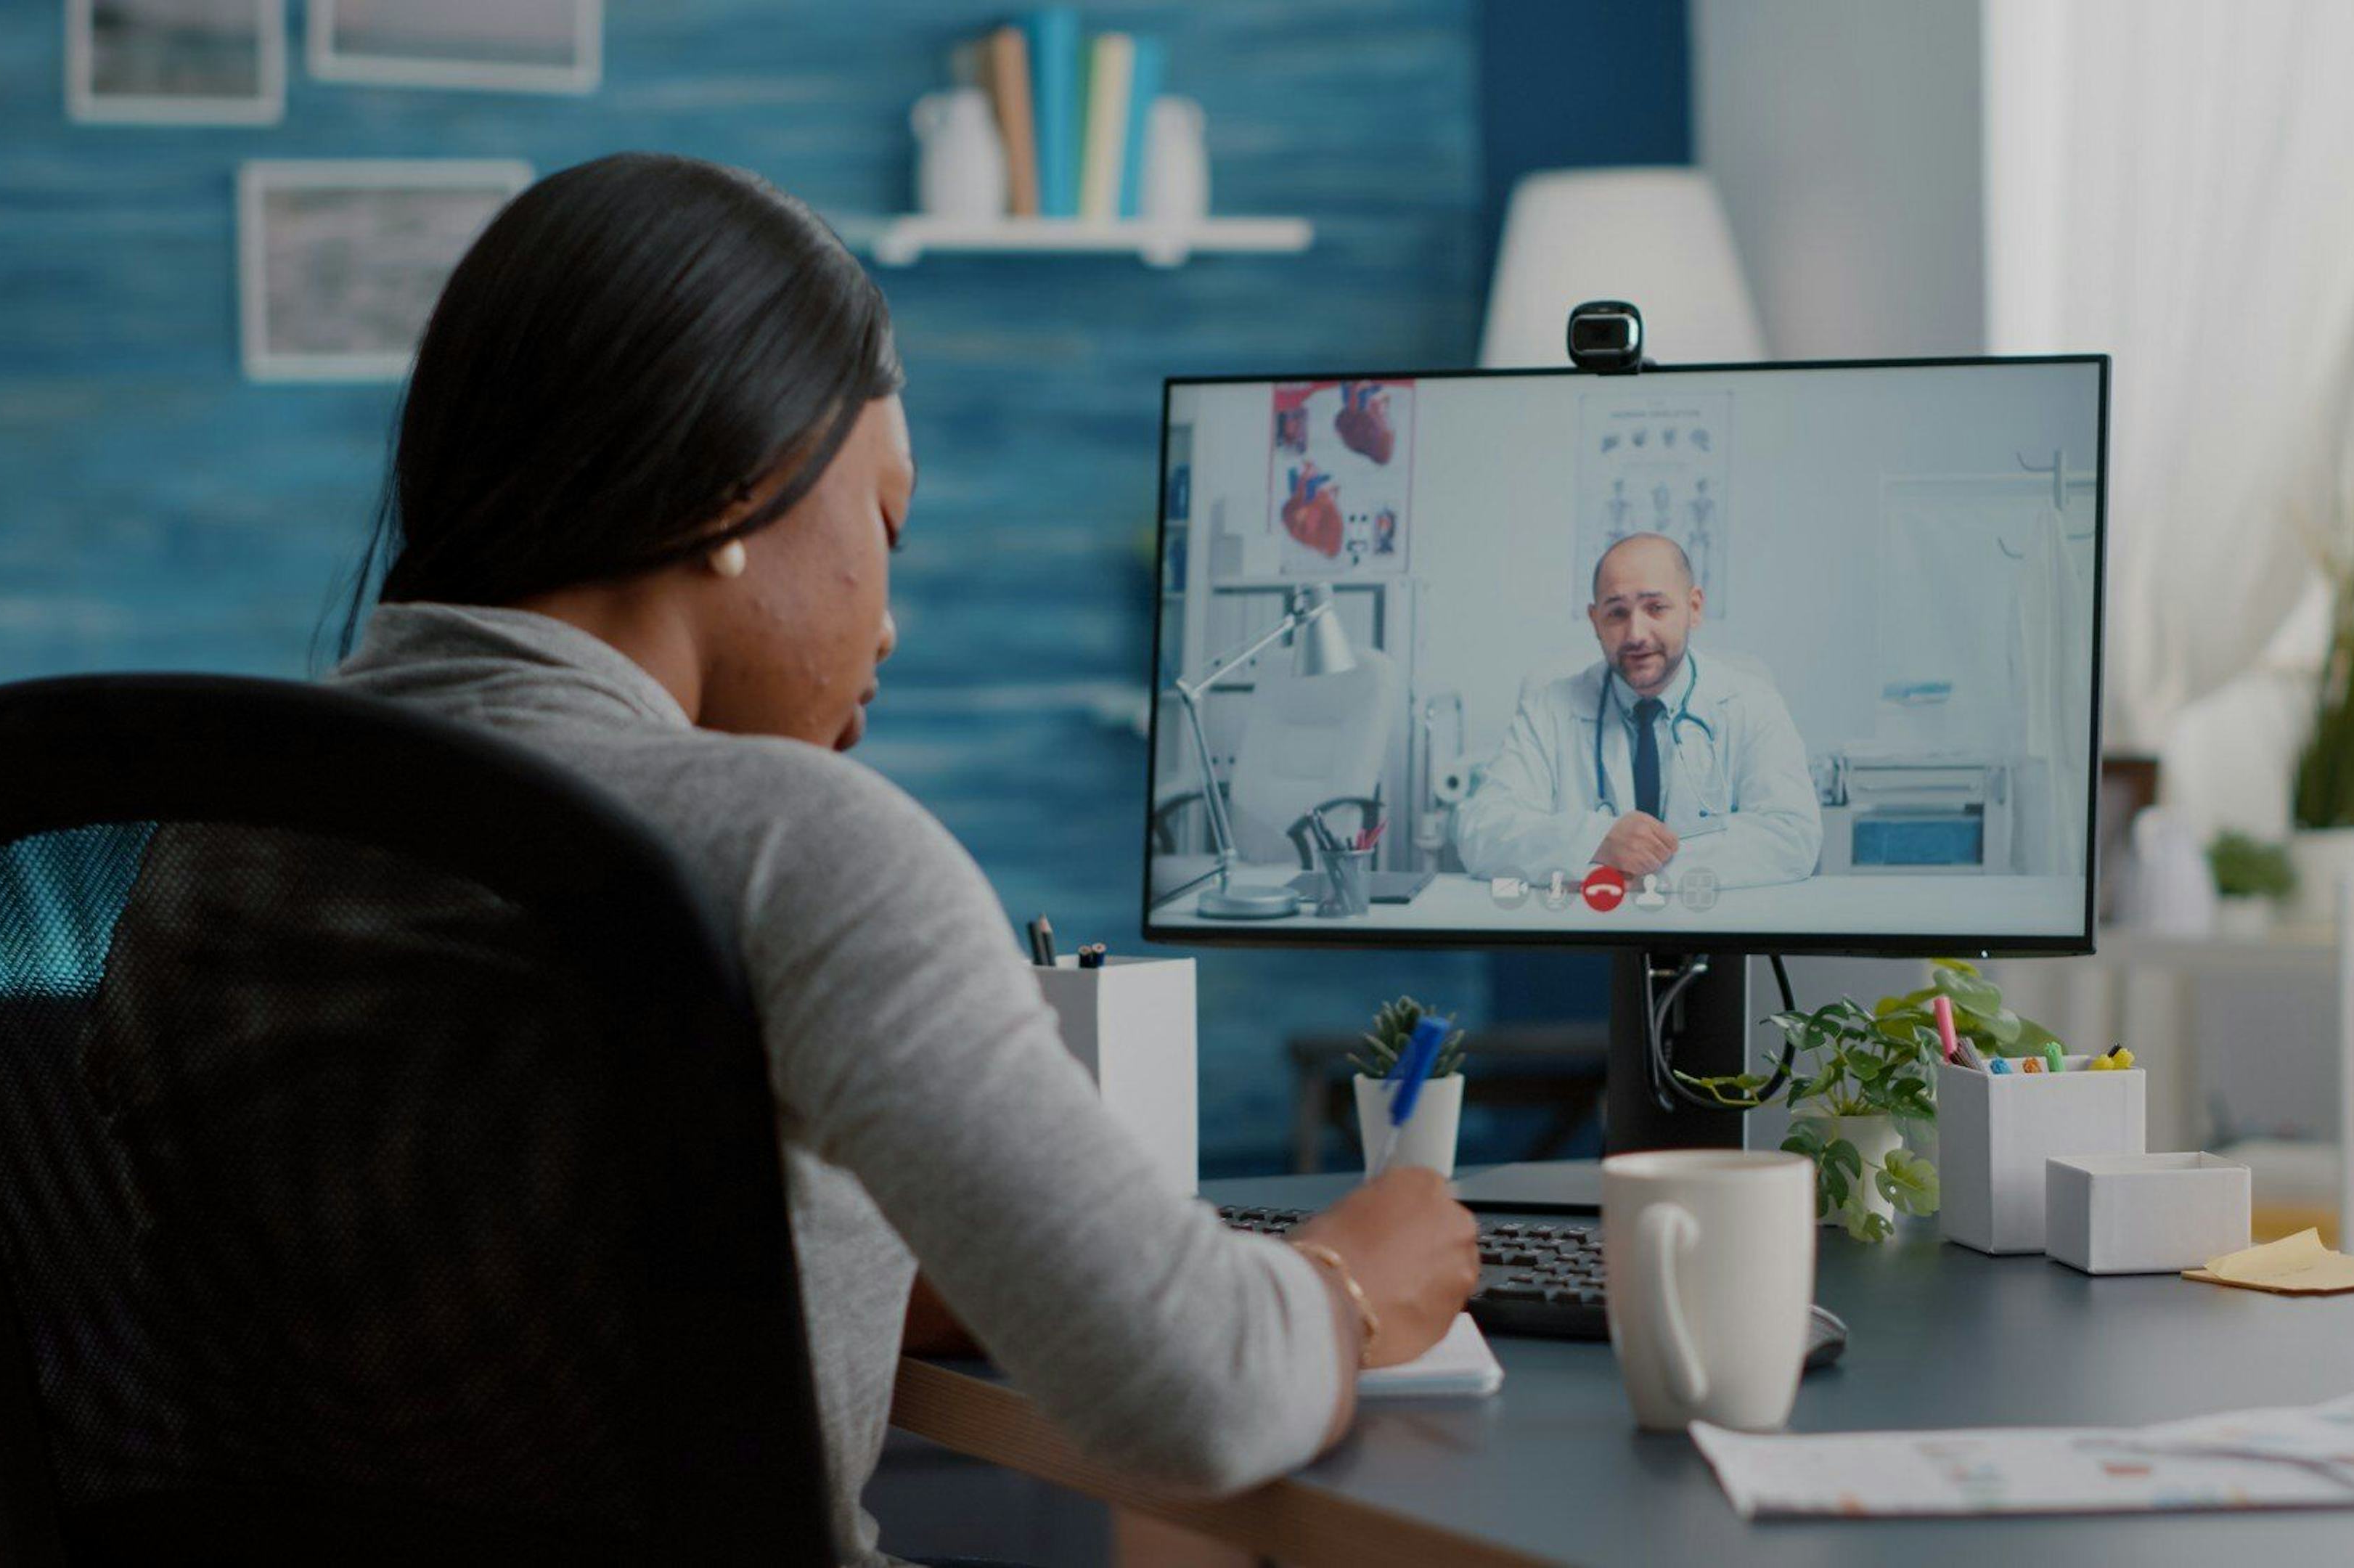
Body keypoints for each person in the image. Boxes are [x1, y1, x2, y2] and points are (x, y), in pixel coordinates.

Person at [305, 154, 1476, 1564]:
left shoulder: (209, 844)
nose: (891, 623)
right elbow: (1202, 1398)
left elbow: (503, 1285)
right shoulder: (796, 843)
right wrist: (1358, 1277)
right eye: (887, 526)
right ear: (729, 489)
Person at [1454, 533, 1821, 890]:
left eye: (1656, 608)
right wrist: (1597, 842)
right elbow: (1482, 831)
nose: (1636, 634)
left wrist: (1646, 870)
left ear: (1694, 608)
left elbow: (1792, 837)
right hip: (1589, 936)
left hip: (1713, 933)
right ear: (1595, 621)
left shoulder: (1752, 702)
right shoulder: (1548, 708)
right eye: (1616, 613)